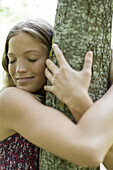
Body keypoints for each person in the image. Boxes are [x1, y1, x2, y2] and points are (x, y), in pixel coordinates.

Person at [0, 18, 113, 169]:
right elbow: (89, 152)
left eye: (31, 59)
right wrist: (78, 99)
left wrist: (80, 102)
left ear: (53, 59)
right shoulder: (9, 100)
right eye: (12, 60)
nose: (19, 69)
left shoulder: (52, 103)